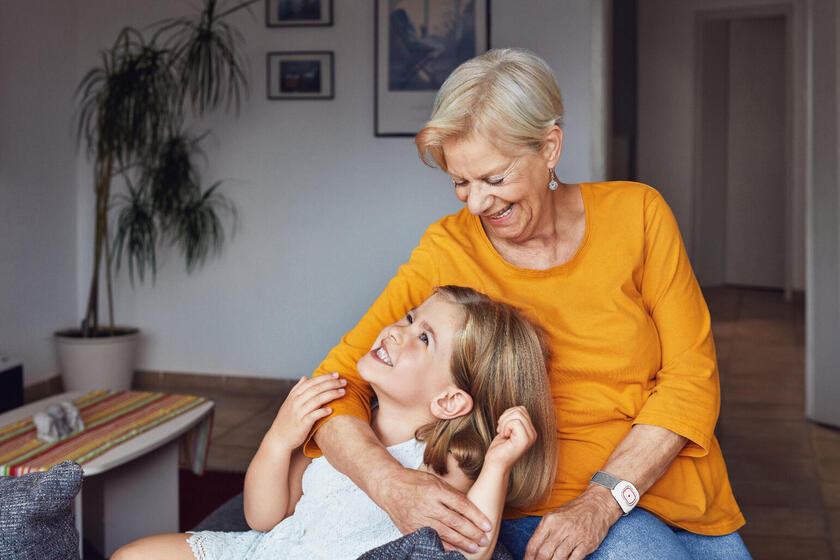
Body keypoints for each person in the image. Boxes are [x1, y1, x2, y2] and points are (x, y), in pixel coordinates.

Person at [305, 48, 751, 560]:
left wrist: (605, 499)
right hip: (544, 507)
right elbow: (336, 385)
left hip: (667, 484)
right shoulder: (447, 249)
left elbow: (692, 378)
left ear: (549, 147)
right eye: (460, 182)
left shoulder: (639, 215)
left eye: (494, 179)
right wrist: (389, 483)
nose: (476, 203)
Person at [111, 286, 558, 560]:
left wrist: (498, 465)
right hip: (273, 551)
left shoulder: (443, 459)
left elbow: (470, 551)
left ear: (449, 400)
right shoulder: (343, 422)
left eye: (424, 338)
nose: (395, 331)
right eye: (409, 318)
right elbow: (263, 517)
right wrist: (278, 439)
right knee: (132, 556)